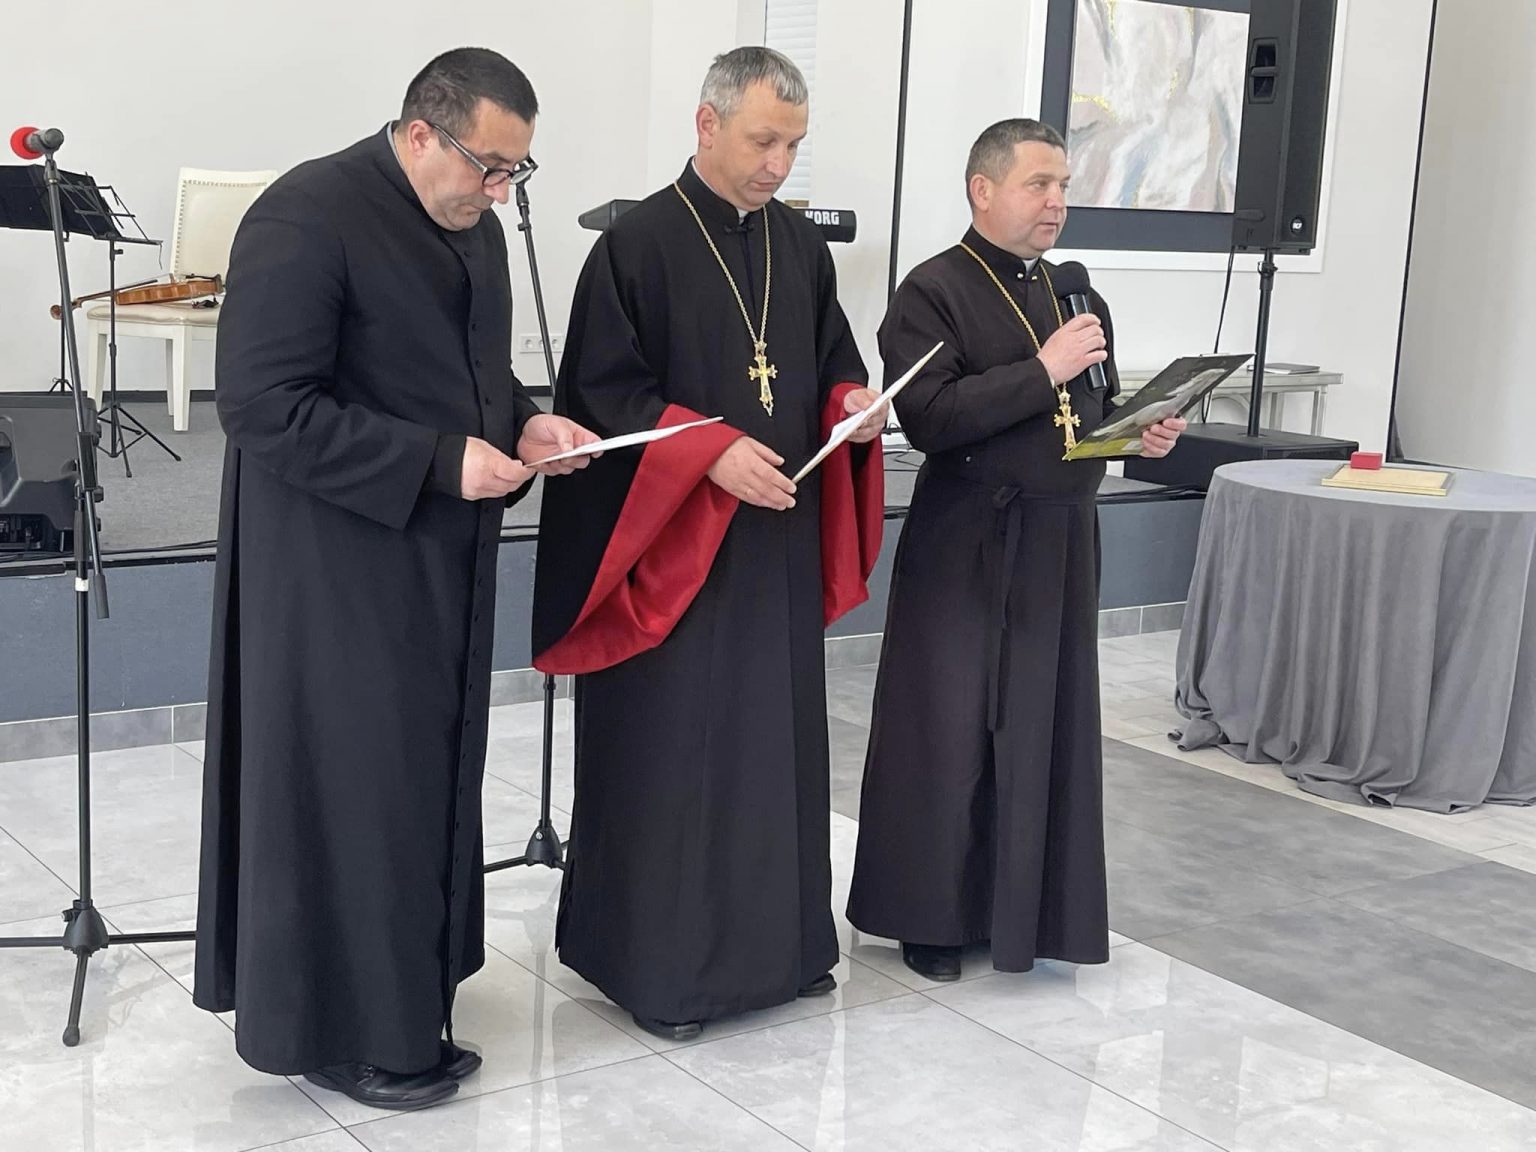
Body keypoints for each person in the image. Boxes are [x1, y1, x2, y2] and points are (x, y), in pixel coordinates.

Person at [193, 48, 598, 1112]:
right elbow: (263, 405)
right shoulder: (306, 214)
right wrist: (437, 461)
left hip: (437, 559)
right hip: (334, 567)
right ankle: (342, 1030)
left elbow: (468, 376)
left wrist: (524, 423)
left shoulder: (471, 224)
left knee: (423, 780)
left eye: (516, 170)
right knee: (355, 789)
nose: (500, 192)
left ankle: (409, 1002)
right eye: (489, 166)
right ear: (422, 133)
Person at [530, 46, 885, 1041]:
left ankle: (787, 951)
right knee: (674, 755)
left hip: (776, 545)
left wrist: (852, 405)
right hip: (675, 559)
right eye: (764, 140)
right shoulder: (635, 247)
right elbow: (605, 400)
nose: (780, 164)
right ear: (707, 123)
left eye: (794, 145)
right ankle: (664, 973)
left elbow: (828, 364)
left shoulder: (801, 248)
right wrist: (709, 453)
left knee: (774, 749)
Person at [846, 119, 1185, 982]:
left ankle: (1028, 911)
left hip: (1060, 541)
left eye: (1063, 185)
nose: (1057, 202)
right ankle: (928, 916)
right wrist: (1042, 369)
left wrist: (1138, 435)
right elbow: (932, 418)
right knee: (948, 728)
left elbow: (1091, 414)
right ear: (983, 189)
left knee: (1044, 726)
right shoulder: (931, 291)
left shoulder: (1075, 293)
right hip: (968, 541)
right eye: (1039, 184)